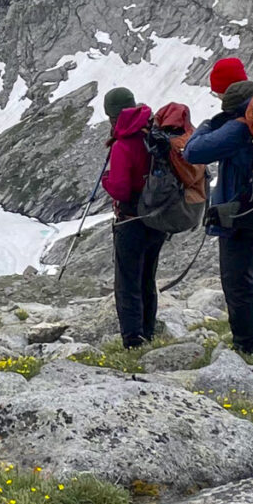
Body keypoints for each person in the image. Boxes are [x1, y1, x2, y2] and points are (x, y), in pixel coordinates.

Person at [184, 59, 253, 362]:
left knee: (238, 280)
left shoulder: (238, 125)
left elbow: (193, 151)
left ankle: (249, 346)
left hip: (241, 213)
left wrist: (210, 124)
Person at [99, 86, 162, 347]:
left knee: (127, 281)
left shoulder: (123, 144)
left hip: (131, 219)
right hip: (157, 217)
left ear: (113, 116)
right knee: (147, 276)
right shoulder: (151, 132)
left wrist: (106, 181)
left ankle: (133, 339)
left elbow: (122, 189)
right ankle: (148, 330)